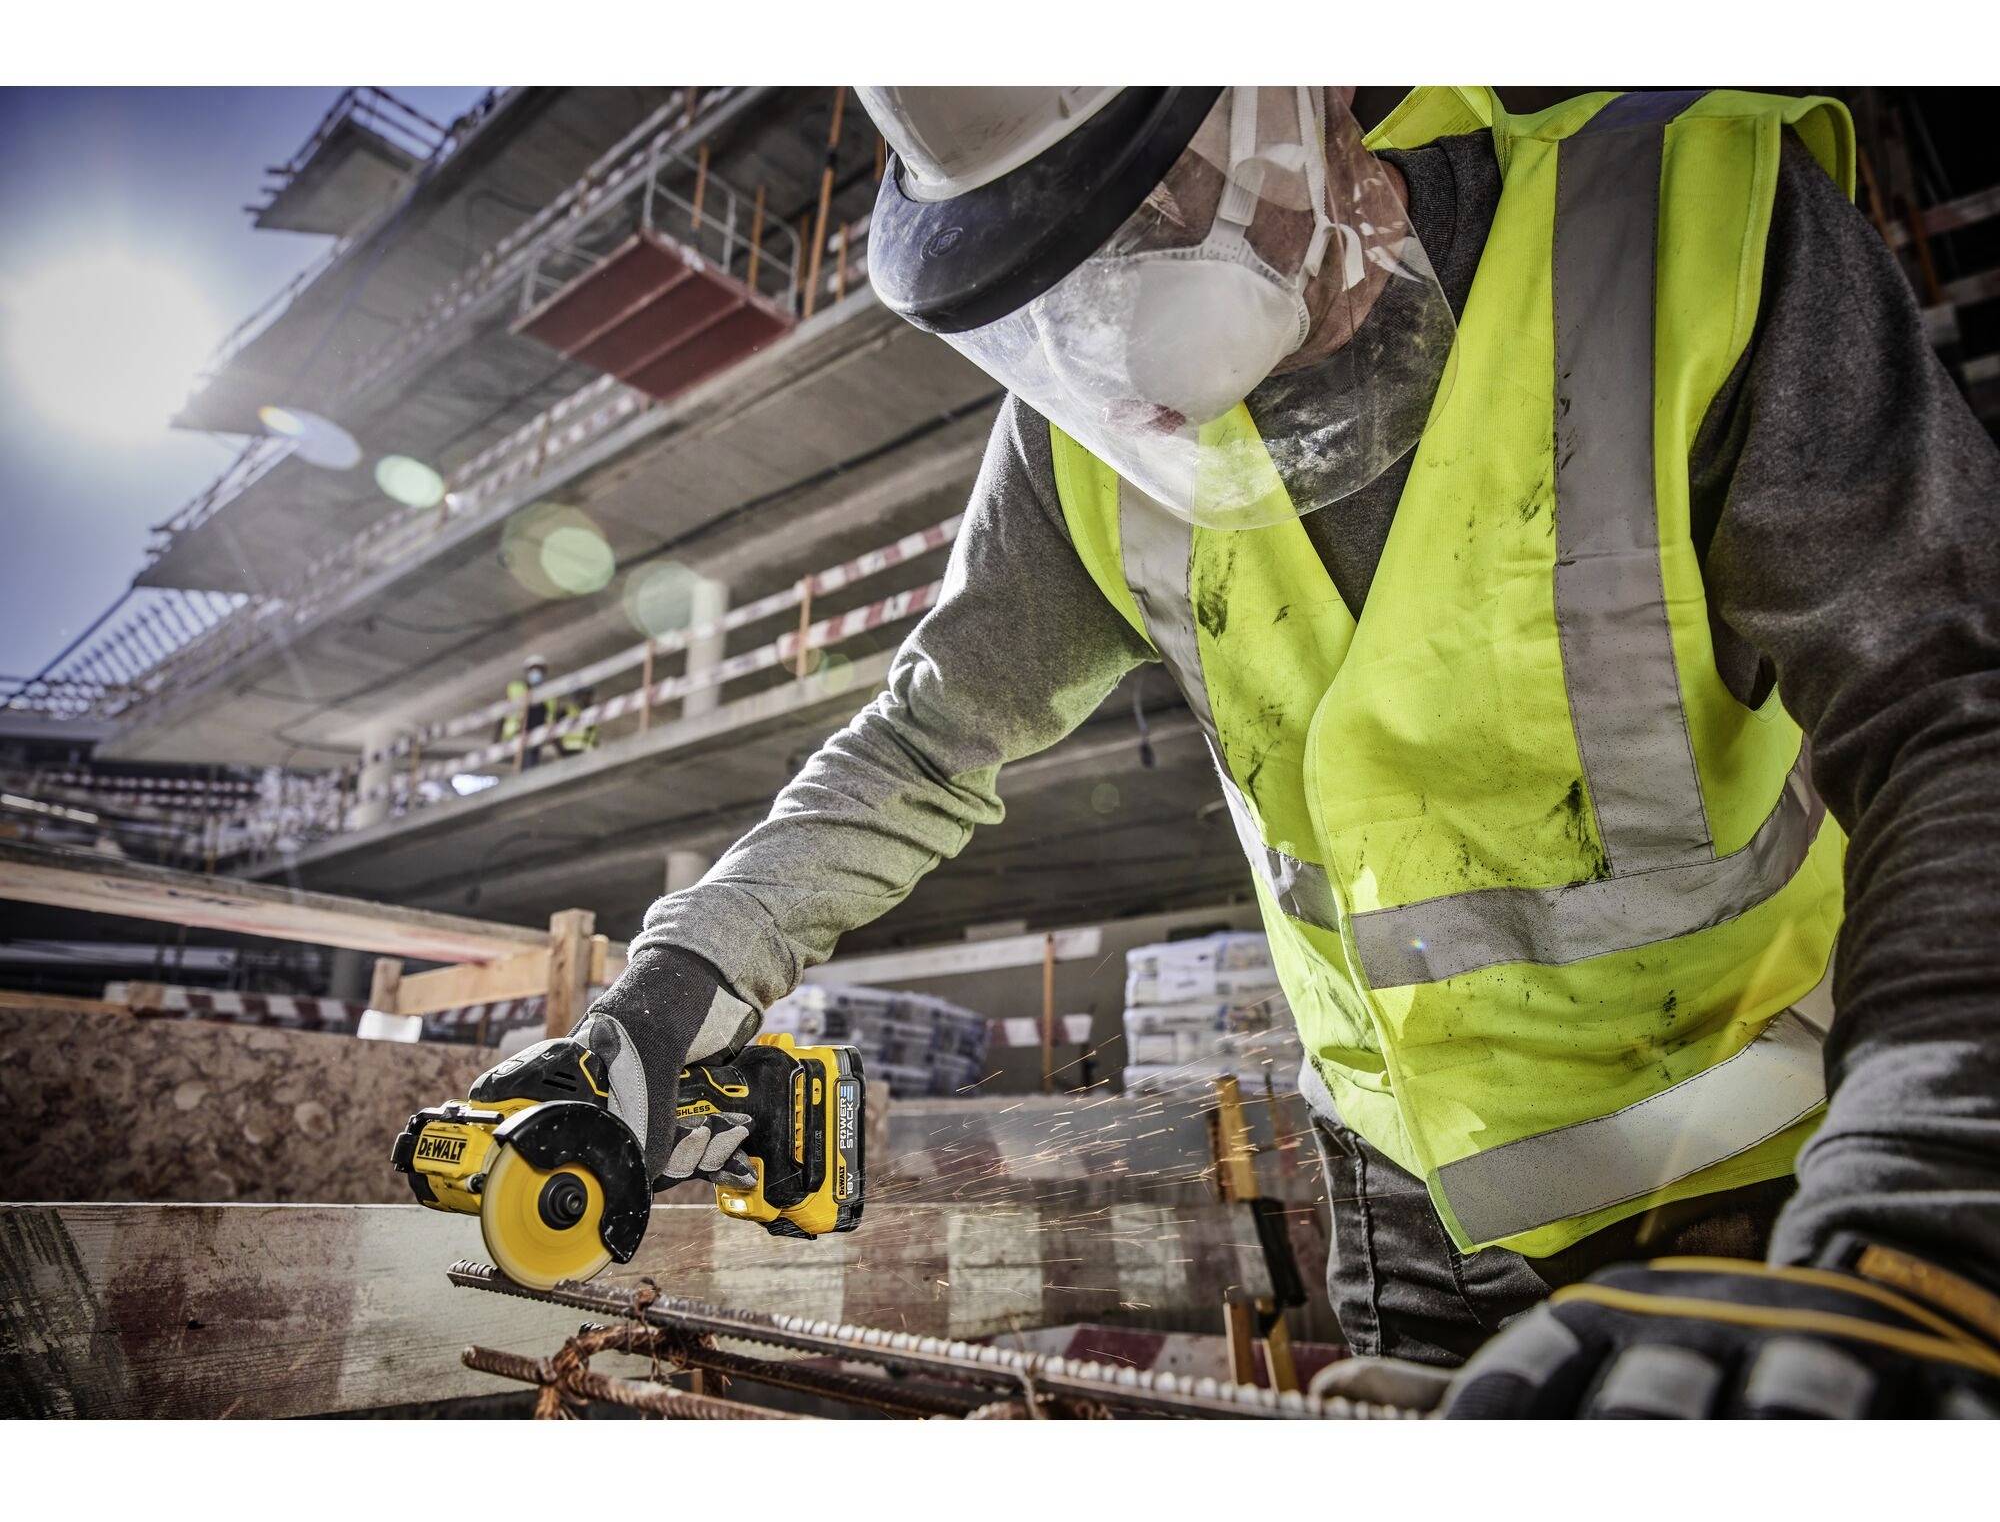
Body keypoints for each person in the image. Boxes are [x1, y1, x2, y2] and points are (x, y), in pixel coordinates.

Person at [474, 88, 2000, 1418]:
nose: (1148, 292)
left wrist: (1918, 1229)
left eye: (1168, 186)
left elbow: (1953, 714)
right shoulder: (1095, 422)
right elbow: (926, 739)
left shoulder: (1670, 223)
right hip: (1398, 1230)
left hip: (1764, 1197)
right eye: (1074, 235)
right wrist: (673, 991)